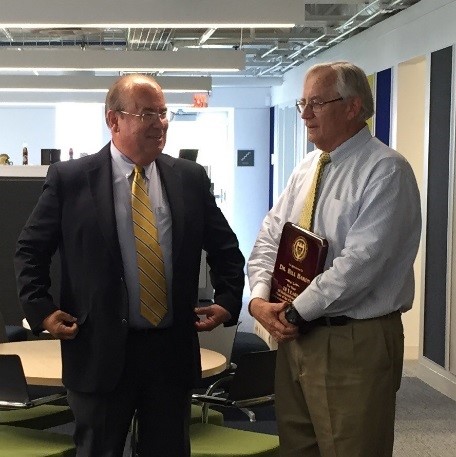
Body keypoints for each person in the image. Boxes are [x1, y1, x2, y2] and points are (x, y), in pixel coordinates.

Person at [14, 74, 245, 456]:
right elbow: (30, 250)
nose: (159, 123)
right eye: (147, 113)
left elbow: (224, 246)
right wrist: (41, 310)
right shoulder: (71, 180)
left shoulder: (189, 178)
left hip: (169, 352)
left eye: (163, 113)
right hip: (98, 350)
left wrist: (227, 298)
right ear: (113, 119)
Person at [247, 61, 421, 456]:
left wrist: (291, 312)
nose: (305, 114)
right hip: (296, 338)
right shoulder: (306, 169)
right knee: (297, 447)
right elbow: (270, 235)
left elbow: (359, 264)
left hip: (353, 341)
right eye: (302, 103)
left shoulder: (386, 171)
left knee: (353, 448)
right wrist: (259, 299)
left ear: (352, 106)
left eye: (317, 103)